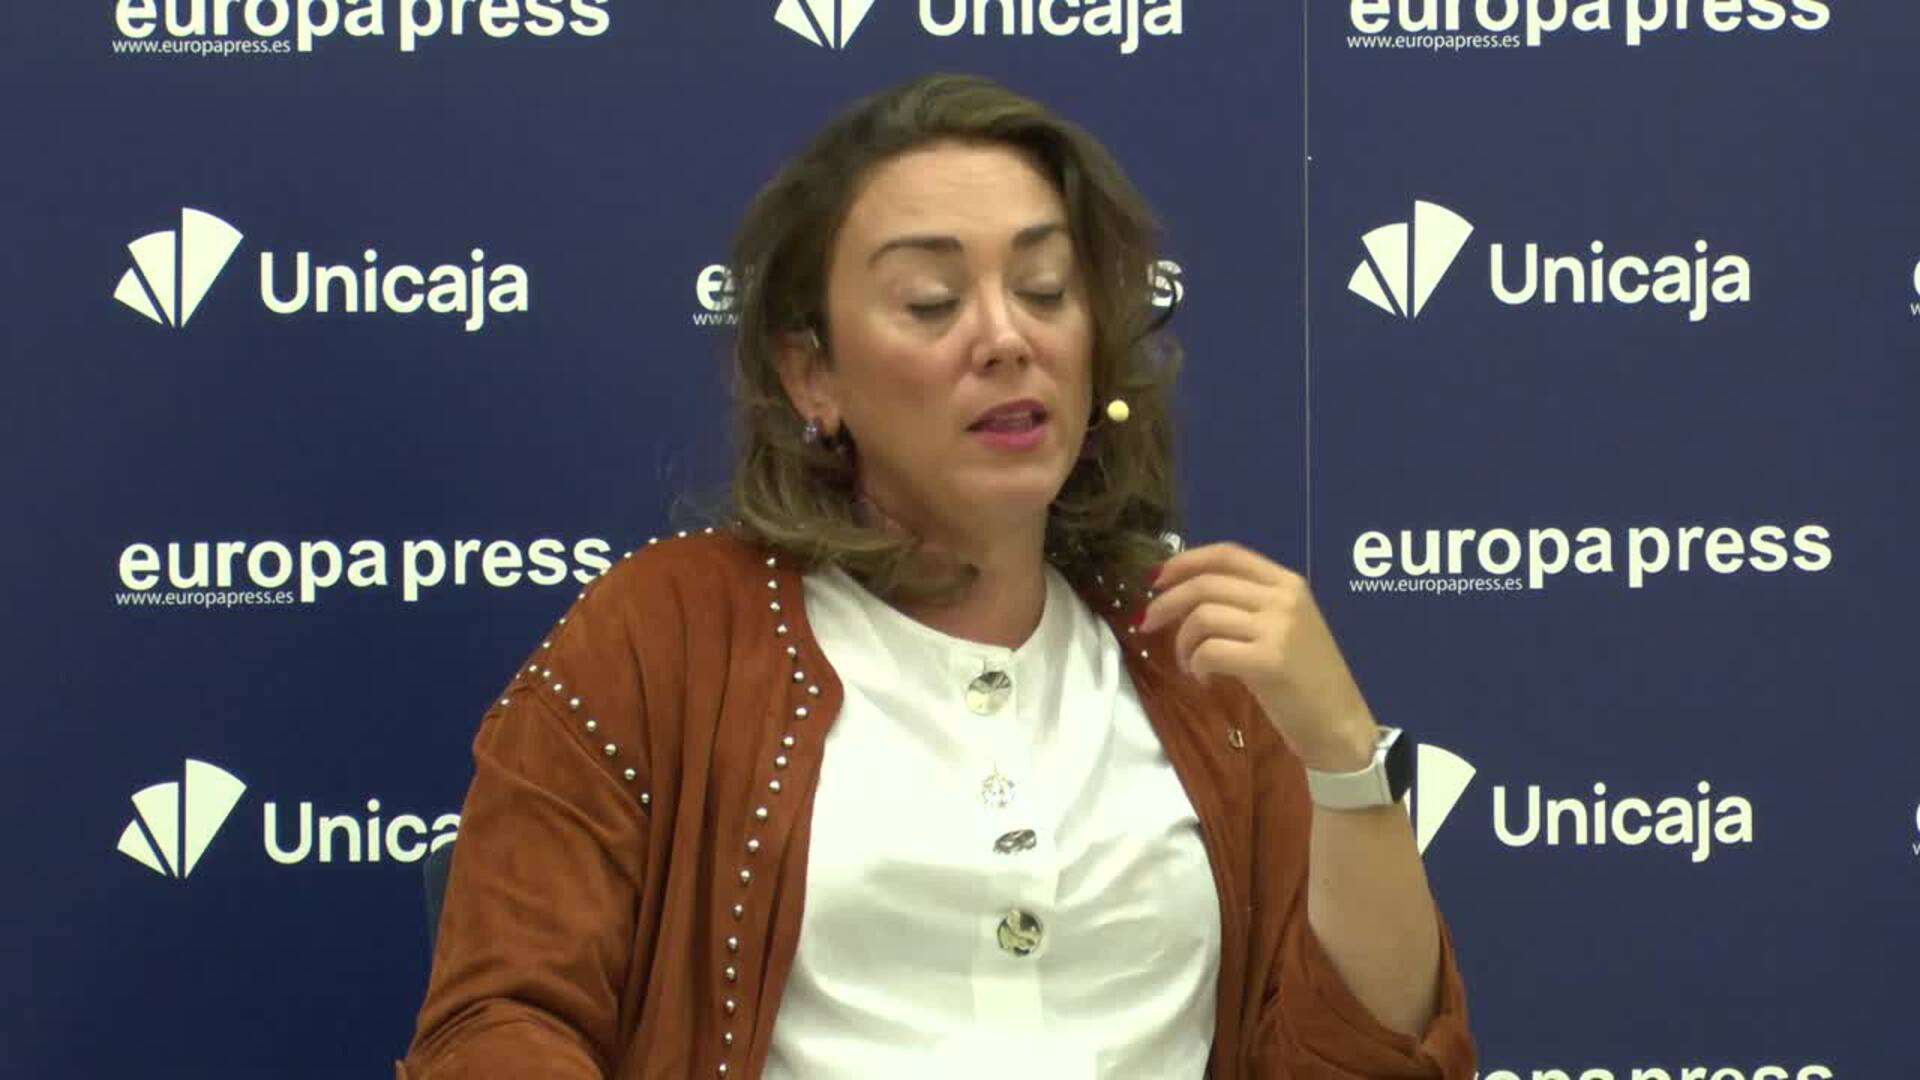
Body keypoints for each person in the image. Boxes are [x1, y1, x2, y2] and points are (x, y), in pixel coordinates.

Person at [398, 72, 1475, 1079]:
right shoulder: (665, 632)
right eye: (930, 301)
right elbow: (497, 1023)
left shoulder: (1201, 662)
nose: (1006, 338)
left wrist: (1344, 758)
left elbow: (1375, 1058)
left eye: (1045, 290)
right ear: (812, 375)